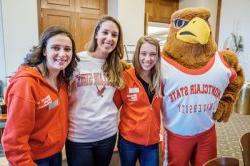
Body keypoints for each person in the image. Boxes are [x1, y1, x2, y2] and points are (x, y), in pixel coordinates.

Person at [1, 26, 79, 166]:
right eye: (56, 48)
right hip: (33, 159)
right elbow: (13, 140)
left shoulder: (62, 80)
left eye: (67, 49)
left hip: (54, 153)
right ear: (44, 51)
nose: (62, 54)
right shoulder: (26, 84)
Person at [65, 15, 125, 166]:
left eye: (114, 35)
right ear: (96, 33)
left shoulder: (118, 66)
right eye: (105, 32)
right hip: (79, 136)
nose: (109, 38)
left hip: (107, 134)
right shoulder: (76, 61)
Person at [113, 36, 162, 166]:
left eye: (153, 54)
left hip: (151, 142)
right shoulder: (126, 77)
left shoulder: (161, 80)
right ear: (137, 54)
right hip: (128, 141)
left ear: (157, 56)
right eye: (143, 53)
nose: (148, 58)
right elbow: (113, 107)